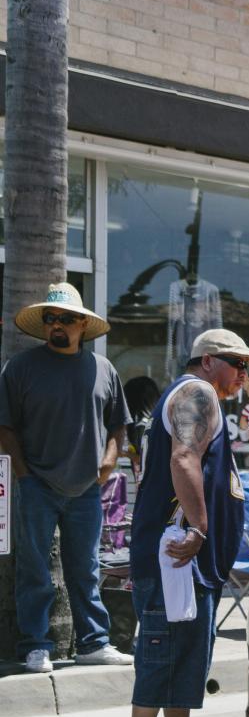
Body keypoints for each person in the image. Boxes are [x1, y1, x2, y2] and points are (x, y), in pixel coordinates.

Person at [118, 328, 249, 717]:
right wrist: (199, 528)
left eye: (246, 366)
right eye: (236, 363)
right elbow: (183, 459)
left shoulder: (199, 395)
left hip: (187, 559)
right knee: (162, 647)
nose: (243, 373)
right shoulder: (197, 392)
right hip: (176, 555)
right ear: (206, 360)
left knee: (185, 651)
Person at [0, 282, 133, 673]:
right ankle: (36, 645)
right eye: (51, 318)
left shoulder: (103, 368)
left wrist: (109, 464)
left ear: (82, 325)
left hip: (87, 490)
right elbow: (5, 428)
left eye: (66, 319)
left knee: (86, 569)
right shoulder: (21, 368)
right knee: (35, 570)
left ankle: (93, 643)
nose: (57, 325)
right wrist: (24, 477)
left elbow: (118, 426)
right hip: (36, 485)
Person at [123, 375, 162, 481]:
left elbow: (146, 460)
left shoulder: (143, 426)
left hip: (150, 484)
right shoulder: (157, 421)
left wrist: (122, 453)